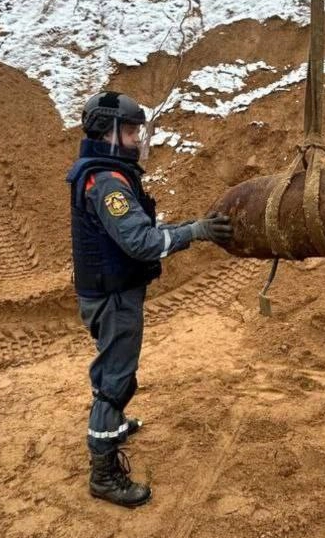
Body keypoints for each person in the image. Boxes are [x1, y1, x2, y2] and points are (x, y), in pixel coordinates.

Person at [67, 90, 233, 508]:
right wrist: (195, 232)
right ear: (106, 135)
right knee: (115, 381)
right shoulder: (107, 183)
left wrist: (187, 227)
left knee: (112, 366)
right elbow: (141, 242)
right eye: (128, 131)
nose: (135, 138)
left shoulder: (107, 173)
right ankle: (103, 474)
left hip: (109, 291)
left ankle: (113, 424)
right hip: (114, 297)